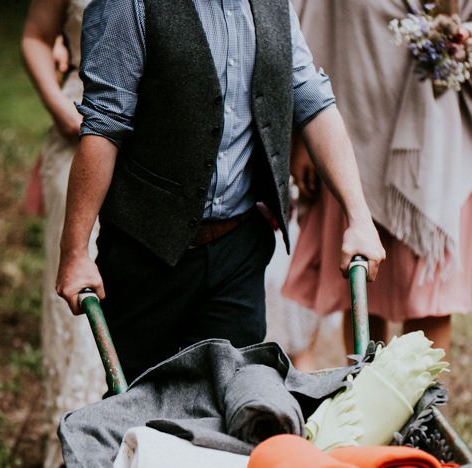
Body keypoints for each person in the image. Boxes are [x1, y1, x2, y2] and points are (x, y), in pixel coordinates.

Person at [54, 0, 386, 385]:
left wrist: (359, 217)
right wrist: (75, 252)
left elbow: (312, 98)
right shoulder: (128, 6)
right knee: (147, 414)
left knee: (236, 407)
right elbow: (103, 126)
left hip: (237, 254)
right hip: (147, 255)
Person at [283, 0, 472, 355]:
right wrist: (303, 136)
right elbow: (305, 32)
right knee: (362, 286)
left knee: (427, 295)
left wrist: (457, 39)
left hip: (433, 136)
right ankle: (372, 400)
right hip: (351, 128)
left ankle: (425, 408)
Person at [21, 0, 106, 468]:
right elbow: (35, 35)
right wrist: (59, 107)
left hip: (154, 138)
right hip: (77, 124)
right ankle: (71, 428)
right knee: (73, 275)